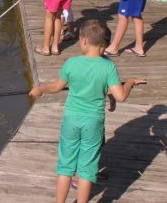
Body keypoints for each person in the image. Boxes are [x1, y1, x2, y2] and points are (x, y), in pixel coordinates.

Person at [29, 19, 146, 203]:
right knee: (87, 169)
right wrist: (130, 82)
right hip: (93, 122)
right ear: (103, 44)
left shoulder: (71, 63)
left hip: (71, 120)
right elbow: (121, 96)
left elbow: (56, 87)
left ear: (83, 41)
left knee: (65, 166)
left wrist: (40, 89)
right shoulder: (108, 67)